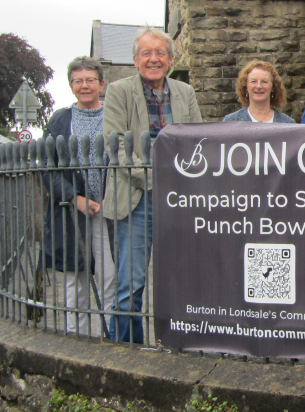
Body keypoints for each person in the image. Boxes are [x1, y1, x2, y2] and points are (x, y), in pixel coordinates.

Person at [103, 27, 203, 343]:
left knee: (180, 280)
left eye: (160, 52)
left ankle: (177, 348)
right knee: (130, 284)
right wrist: (152, 179)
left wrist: (181, 182)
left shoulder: (185, 92)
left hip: (179, 200)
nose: (154, 59)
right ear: (135, 59)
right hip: (137, 198)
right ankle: (127, 353)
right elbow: (116, 144)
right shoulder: (119, 92)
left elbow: (198, 141)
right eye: (146, 53)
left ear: (171, 59)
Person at [41, 57, 116, 337]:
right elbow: (46, 169)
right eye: (78, 81)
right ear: (71, 85)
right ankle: (78, 339)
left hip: (109, 212)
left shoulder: (114, 114)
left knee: (110, 278)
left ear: (101, 84)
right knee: (76, 281)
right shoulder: (60, 120)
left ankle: (113, 338)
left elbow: (128, 160)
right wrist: (76, 198)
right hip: (71, 212)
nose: (85, 86)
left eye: (90, 80)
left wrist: (114, 196)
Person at [223, 60, 295, 123]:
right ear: (245, 86)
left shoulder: (287, 123)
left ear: (273, 87)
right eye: (253, 81)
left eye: (264, 82)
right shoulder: (230, 121)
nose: (259, 86)